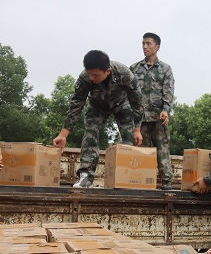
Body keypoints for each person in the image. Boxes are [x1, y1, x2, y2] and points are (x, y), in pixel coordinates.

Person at [53, 50, 144, 188]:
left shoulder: (124, 74)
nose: (91, 78)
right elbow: (76, 105)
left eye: (95, 75)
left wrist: (137, 129)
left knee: (129, 136)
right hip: (97, 106)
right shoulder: (85, 77)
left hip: (121, 104)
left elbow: (137, 102)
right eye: (89, 74)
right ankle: (85, 176)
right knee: (90, 131)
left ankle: (128, 178)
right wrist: (63, 134)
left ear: (107, 71)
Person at [130, 32, 175, 190]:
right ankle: (141, 182)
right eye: (143, 43)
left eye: (148, 43)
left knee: (162, 149)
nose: (145, 46)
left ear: (157, 47)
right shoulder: (134, 68)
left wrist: (166, 110)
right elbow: (129, 92)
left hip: (158, 117)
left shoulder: (165, 69)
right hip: (140, 119)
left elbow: (168, 91)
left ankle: (167, 182)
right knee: (142, 151)